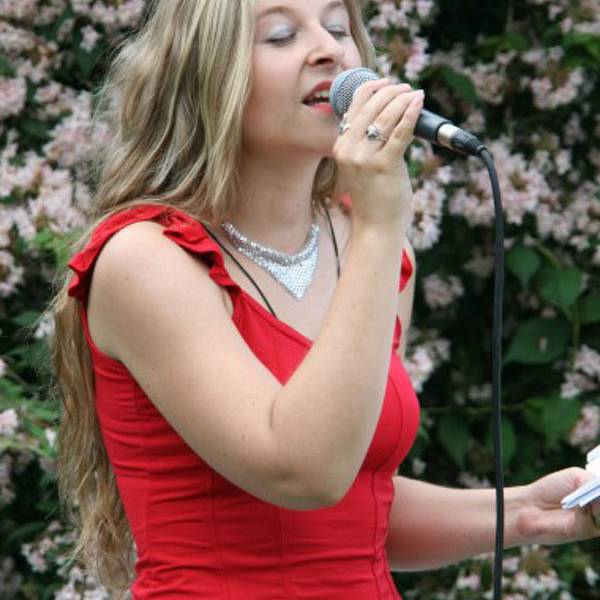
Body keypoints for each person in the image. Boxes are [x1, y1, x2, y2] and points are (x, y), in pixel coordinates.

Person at [46, 0, 600, 598]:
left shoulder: (371, 248)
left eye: (338, 27)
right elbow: (304, 472)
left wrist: (524, 513)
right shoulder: (145, 259)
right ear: (204, 73)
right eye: (281, 35)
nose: (330, 50)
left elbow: (358, 509)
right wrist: (380, 228)